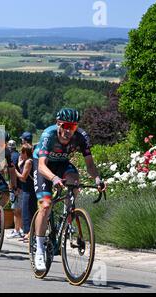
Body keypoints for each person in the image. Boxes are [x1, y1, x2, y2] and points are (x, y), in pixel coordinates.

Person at [32, 108, 107, 271]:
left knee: (74, 182)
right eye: (65, 126)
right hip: (43, 165)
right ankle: (39, 249)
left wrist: (97, 179)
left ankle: (67, 217)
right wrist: (54, 178)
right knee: (45, 205)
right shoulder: (48, 135)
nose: (68, 131)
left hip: (62, 164)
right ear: (58, 124)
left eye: (72, 127)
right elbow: (42, 166)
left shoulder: (81, 137)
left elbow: (90, 164)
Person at [16, 143, 36, 242]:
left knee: (28, 212)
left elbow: (23, 178)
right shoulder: (24, 160)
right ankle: (28, 233)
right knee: (25, 212)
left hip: (30, 189)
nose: (20, 153)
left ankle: (30, 234)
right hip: (25, 189)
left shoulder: (29, 161)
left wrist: (14, 171)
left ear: (25, 152)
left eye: (21, 151)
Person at [6, 139, 24, 239]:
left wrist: (14, 187)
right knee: (18, 208)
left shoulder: (11, 157)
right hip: (20, 185)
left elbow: (13, 173)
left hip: (17, 186)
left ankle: (17, 230)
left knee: (16, 209)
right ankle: (19, 229)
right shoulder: (17, 155)